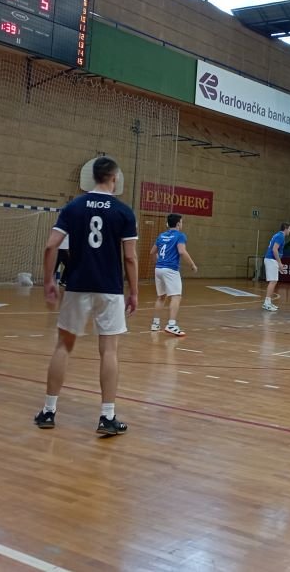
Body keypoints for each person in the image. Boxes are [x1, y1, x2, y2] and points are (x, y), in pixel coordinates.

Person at [34, 157, 139, 436]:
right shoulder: (124, 212)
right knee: (109, 351)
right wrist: (134, 291)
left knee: (63, 347)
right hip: (110, 289)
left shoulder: (74, 207)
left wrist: (49, 280)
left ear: (92, 177)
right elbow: (130, 258)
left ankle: (48, 411)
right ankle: (107, 417)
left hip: (77, 286)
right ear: (114, 178)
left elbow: (51, 246)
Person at [150, 213, 197, 336]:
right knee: (176, 296)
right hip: (170, 270)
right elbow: (182, 251)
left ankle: (155, 324)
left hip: (159, 269)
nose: (182, 224)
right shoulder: (180, 236)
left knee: (161, 297)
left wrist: (159, 263)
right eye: (181, 222)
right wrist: (192, 264)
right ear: (178, 224)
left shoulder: (161, 236)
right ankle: (171, 325)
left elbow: (152, 252)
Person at [263, 222, 290, 311]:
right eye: (289, 229)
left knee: (274, 281)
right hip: (271, 259)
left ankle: (268, 302)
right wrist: (279, 263)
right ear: (285, 229)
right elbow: (275, 249)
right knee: (273, 281)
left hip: (271, 260)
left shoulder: (278, 235)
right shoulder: (280, 236)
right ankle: (266, 303)